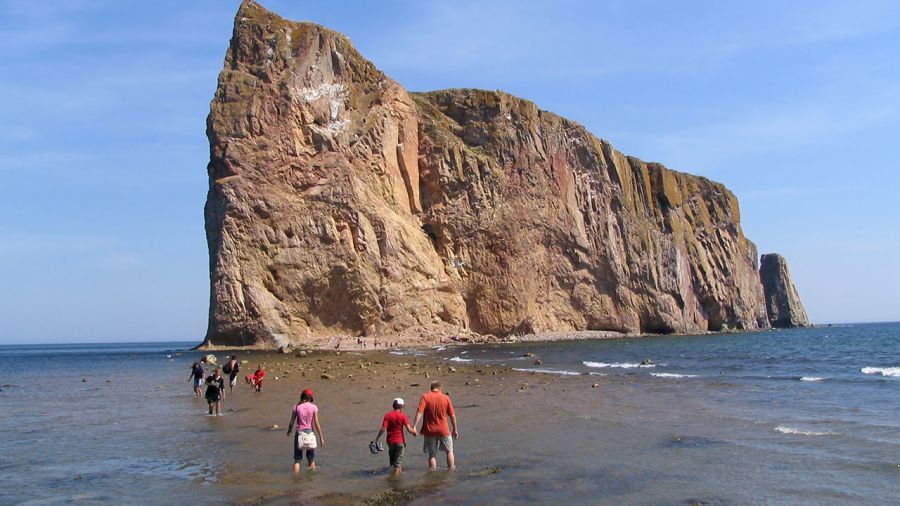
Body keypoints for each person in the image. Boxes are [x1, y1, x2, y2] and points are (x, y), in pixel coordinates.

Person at [413, 381, 458, 471]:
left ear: (431, 388)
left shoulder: (425, 397)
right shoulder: (446, 398)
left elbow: (419, 412)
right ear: (440, 388)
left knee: (432, 454)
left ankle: (433, 472)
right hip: (443, 430)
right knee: (449, 451)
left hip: (429, 430)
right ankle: (451, 470)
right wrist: (455, 429)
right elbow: (452, 416)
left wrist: (414, 426)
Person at [373, 398, 417, 475]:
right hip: (400, 442)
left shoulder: (388, 415)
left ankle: (392, 479)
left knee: (392, 462)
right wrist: (415, 432)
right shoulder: (403, 416)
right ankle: (396, 483)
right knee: (398, 464)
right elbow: (409, 430)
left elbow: (383, 428)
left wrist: (376, 439)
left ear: (393, 405)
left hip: (390, 442)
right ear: (402, 406)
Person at [286, 389, 324, 472]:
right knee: (311, 459)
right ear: (310, 398)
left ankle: (296, 480)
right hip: (310, 434)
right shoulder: (314, 407)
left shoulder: (296, 407)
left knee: (297, 459)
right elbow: (317, 423)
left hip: (299, 434)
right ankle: (312, 480)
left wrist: (289, 430)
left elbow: (292, 421)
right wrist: (321, 437)